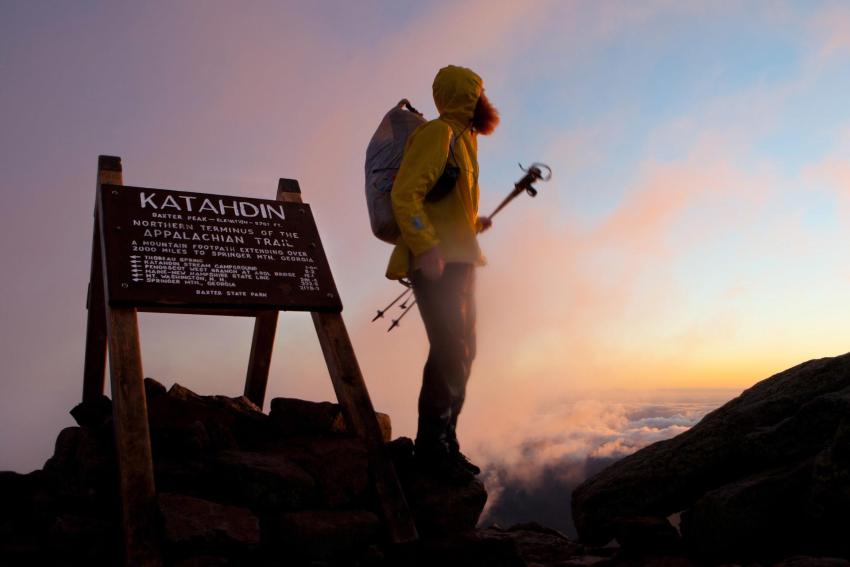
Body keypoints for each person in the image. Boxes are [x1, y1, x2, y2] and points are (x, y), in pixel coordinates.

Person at [386, 65, 499, 482]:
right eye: (479, 93)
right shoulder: (438, 134)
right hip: (437, 264)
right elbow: (405, 194)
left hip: (461, 260)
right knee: (450, 349)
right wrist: (426, 245)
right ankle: (432, 450)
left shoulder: (466, 142)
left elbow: (442, 201)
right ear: (465, 96)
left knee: (463, 352)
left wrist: (471, 224)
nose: (485, 101)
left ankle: (447, 443)